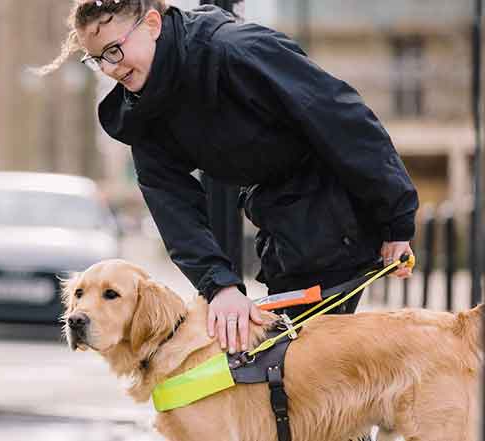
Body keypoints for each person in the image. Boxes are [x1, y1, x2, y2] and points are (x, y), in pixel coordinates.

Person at [38, 0, 418, 356]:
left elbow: (343, 120)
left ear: (151, 24)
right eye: (98, 59)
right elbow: (173, 207)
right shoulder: (143, 112)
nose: (109, 68)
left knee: (311, 369)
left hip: (333, 205)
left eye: (115, 50)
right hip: (278, 217)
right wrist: (219, 286)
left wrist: (395, 220)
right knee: (288, 364)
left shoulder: (235, 51)